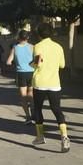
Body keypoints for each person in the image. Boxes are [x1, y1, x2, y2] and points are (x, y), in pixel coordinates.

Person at [30, 24, 70, 152]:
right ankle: (64, 137)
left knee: (37, 108)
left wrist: (31, 63)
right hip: (54, 83)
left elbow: (37, 65)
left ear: (39, 34)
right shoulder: (58, 47)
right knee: (56, 109)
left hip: (40, 83)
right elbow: (62, 65)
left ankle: (40, 136)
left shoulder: (37, 46)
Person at [6, 30, 35, 124]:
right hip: (31, 72)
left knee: (23, 96)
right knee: (31, 94)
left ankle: (28, 117)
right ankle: (34, 114)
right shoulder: (32, 47)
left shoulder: (15, 48)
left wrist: (15, 62)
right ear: (28, 37)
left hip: (21, 73)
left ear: (19, 37)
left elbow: (8, 62)